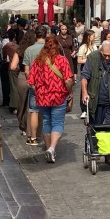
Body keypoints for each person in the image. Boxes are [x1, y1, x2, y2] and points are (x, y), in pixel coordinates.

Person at [27, 35, 74, 164]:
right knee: (57, 122)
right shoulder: (62, 60)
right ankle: (52, 148)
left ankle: (49, 149)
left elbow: (31, 82)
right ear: (57, 47)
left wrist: (38, 91)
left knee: (47, 121)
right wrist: (70, 92)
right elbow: (68, 80)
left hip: (42, 98)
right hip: (58, 96)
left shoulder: (37, 61)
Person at [80, 41, 110, 164]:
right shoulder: (92, 58)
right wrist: (84, 93)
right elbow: (84, 77)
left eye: (109, 55)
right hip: (95, 99)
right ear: (100, 51)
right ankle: (95, 151)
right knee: (95, 127)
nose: (107, 58)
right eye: (105, 55)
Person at [22, 25, 48, 145]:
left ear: (35, 35)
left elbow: (26, 71)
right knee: (48, 112)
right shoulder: (49, 49)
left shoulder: (29, 50)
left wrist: (31, 83)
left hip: (35, 84)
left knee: (34, 111)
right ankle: (48, 139)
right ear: (46, 35)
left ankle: (33, 138)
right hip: (49, 84)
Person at [77, 29, 96, 117]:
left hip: (94, 70)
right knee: (84, 88)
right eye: (93, 36)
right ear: (88, 37)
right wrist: (88, 60)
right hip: (85, 69)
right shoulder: (83, 47)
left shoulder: (94, 46)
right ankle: (84, 109)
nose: (94, 37)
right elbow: (79, 60)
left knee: (93, 88)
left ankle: (92, 108)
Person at [0, 39, 20, 112]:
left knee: (13, 87)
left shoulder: (9, 45)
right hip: (22, 67)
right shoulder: (24, 45)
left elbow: (4, 52)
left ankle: (14, 106)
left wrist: (5, 58)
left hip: (13, 67)